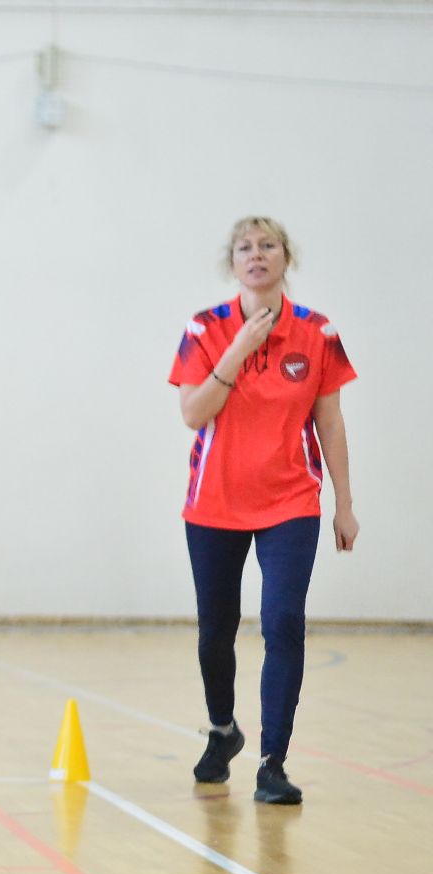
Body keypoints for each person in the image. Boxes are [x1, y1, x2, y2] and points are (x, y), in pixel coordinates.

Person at [170, 216, 357, 806]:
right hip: (214, 504)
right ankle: (223, 730)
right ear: (233, 263)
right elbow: (194, 414)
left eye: (268, 246)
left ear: (286, 258)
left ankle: (273, 762)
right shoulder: (205, 327)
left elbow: (329, 420)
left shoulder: (318, 332)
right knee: (215, 634)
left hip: (290, 502)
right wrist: (238, 349)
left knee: (282, 623)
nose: (257, 255)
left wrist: (344, 504)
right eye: (245, 248)